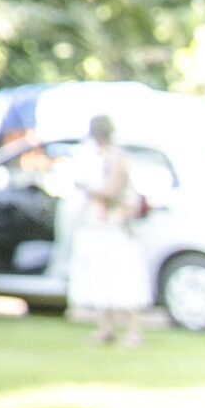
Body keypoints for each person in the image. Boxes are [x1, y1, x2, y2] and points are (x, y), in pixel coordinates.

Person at [62, 113, 148, 346]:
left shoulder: (117, 158)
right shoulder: (93, 157)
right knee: (101, 277)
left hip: (117, 226)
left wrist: (85, 187)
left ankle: (133, 332)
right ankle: (107, 328)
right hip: (96, 225)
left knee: (123, 277)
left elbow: (111, 192)